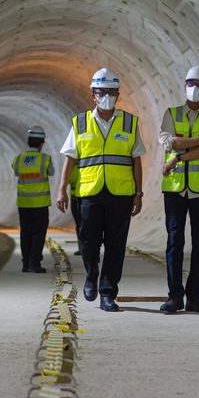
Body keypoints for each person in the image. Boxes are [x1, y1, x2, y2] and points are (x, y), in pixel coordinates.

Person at [56, 68, 145, 312]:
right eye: (101, 92)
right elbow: (70, 158)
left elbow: (136, 159)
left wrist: (138, 193)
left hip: (121, 194)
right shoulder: (80, 123)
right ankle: (91, 274)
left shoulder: (129, 123)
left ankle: (108, 292)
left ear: (118, 94)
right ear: (93, 95)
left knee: (116, 245)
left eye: (110, 92)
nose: (106, 96)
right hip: (89, 192)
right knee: (88, 241)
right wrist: (62, 189)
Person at [158, 65, 199, 313]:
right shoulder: (170, 114)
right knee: (174, 242)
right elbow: (172, 141)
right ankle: (175, 296)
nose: (194, 89)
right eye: (191, 84)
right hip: (174, 189)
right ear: (185, 86)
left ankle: (195, 297)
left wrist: (177, 157)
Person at [12, 126, 53, 273]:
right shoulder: (45, 159)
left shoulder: (19, 159)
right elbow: (51, 172)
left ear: (28, 141)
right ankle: (34, 263)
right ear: (41, 143)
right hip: (40, 204)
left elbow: (16, 171)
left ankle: (25, 263)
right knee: (39, 234)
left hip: (24, 203)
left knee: (26, 233)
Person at [68, 167, 82, 256]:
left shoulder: (72, 168)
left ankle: (83, 248)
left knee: (80, 225)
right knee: (81, 225)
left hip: (78, 200)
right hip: (78, 199)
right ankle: (83, 248)